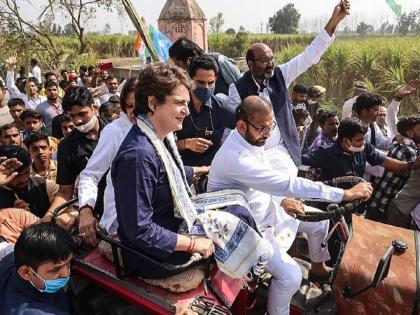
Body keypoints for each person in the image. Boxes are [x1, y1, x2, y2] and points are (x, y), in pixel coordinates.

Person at [207, 96, 372, 315]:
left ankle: (317, 269)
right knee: (290, 275)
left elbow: (267, 180)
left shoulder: (252, 140)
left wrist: (282, 200)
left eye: (270, 127)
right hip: (246, 228)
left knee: (320, 223)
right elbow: (284, 183)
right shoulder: (235, 158)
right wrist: (344, 194)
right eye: (262, 129)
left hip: (268, 210)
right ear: (241, 125)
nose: (267, 134)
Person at [112, 63, 268, 280]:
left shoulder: (160, 137)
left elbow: (167, 174)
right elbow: (139, 231)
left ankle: (252, 268)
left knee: (237, 205)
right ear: (153, 103)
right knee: (235, 219)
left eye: (186, 102)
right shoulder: (138, 156)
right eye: (179, 103)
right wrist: (193, 243)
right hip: (152, 254)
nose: (186, 110)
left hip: (171, 221)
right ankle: (251, 270)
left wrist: (204, 169)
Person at [228, 0, 351, 173]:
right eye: (264, 61)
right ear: (250, 63)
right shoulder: (237, 89)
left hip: (283, 152)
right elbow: (233, 128)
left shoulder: (280, 75)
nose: (270, 64)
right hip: (255, 155)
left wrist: (334, 22)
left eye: (272, 59)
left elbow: (309, 56)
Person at [77, 77, 138, 245]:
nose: (135, 112)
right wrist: (86, 210)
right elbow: (90, 175)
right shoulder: (115, 131)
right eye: (130, 106)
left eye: (140, 105)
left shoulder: (161, 126)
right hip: (123, 223)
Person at [44, 86, 107, 223]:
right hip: (96, 213)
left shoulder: (114, 132)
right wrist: (48, 217)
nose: (77, 121)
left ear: (93, 108)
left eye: (82, 114)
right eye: (72, 116)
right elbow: (65, 191)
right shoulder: (67, 146)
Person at [302, 118, 420, 181]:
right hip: (330, 205)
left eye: (364, 139)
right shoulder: (325, 152)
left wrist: (411, 165)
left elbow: (385, 161)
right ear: (345, 140)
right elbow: (300, 161)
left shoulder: (365, 148)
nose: (363, 143)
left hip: (353, 204)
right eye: (358, 140)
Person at [0, 222, 74, 315]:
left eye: (68, 263)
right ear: (26, 272)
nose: (66, 273)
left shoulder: (14, 257)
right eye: (56, 269)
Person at [175, 54, 236, 167]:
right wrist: (186, 144)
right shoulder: (176, 107)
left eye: (211, 82)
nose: (207, 88)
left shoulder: (222, 108)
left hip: (211, 172)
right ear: (190, 80)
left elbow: (244, 129)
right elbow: (161, 145)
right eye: (201, 83)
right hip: (182, 170)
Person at [367, 115, 420, 223]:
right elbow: (410, 178)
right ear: (410, 133)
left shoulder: (396, 143)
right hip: (386, 202)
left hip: (376, 198)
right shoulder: (410, 152)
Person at [0, 144, 58, 218]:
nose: (24, 179)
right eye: (17, 175)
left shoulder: (46, 187)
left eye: (27, 172)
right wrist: (10, 214)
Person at [169, 37, 241, 96]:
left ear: (189, 60)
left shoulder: (220, 62)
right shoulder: (189, 77)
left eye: (178, 65)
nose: (178, 69)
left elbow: (241, 89)